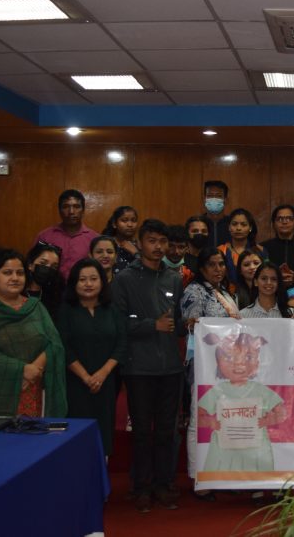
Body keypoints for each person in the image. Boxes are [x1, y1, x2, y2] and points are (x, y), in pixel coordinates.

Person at [111, 219, 186, 513]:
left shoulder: (174, 278)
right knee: (142, 431)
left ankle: (163, 485)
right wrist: (150, 325)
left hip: (171, 367)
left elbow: (176, 322)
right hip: (138, 367)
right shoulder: (124, 279)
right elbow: (117, 323)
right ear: (140, 243)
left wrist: (190, 323)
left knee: (167, 431)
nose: (158, 247)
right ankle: (140, 487)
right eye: (152, 241)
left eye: (162, 241)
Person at [0, 248, 66, 418]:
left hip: (33, 389)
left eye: (20, 273)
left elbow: (54, 343)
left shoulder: (35, 307)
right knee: (0, 434)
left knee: (32, 432)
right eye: (7, 272)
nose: (15, 278)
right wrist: (22, 370)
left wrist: (35, 368)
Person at [180, 247, 240, 500]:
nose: (218, 269)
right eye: (212, 264)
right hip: (203, 364)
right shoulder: (194, 291)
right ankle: (199, 477)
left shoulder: (225, 292)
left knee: (224, 420)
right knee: (200, 419)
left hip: (227, 366)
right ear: (202, 268)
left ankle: (222, 473)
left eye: (221, 264)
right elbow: (191, 325)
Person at [56, 257, 126, 457]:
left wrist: (102, 374)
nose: (88, 284)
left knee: (103, 433)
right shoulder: (66, 311)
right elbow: (63, 347)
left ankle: (101, 472)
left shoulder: (112, 309)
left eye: (93, 279)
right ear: (74, 283)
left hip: (106, 383)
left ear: (102, 282)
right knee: (78, 435)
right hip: (75, 383)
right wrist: (86, 377)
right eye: (82, 279)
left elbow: (122, 343)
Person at [196, 332, 287, 472]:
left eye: (248, 357)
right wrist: (210, 422)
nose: (239, 363)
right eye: (229, 357)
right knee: (222, 476)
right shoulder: (217, 391)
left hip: (256, 450)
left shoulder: (261, 390)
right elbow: (198, 416)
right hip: (223, 451)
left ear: (257, 363)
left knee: (257, 477)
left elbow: (282, 413)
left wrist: (268, 420)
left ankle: (257, 485)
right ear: (218, 362)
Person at [36, 189, 98, 281]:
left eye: (76, 206)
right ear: (59, 210)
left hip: (83, 288)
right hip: (50, 287)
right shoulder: (45, 237)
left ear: (83, 210)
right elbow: (35, 266)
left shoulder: (94, 239)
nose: (71, 211)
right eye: (65, 207)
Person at [261, 204, 294, 288]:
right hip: (270, 291)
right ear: (274, 224)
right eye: (280, 219)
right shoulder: (264, 247)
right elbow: (259, 274)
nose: (284, 222)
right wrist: (276, 275)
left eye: (289, 218)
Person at [217, 208, 263, 281]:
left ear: (250, 228)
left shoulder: (260, 250)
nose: (238, 228)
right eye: (234, 224)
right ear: (229, 227)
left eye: (243, 225)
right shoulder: (220, 250)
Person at [24, 242, 63, 320]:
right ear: (30, 265)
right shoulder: (17, 291)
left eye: (54, 267)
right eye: (43, 263)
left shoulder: (55, 295)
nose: (48, 269)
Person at [102, 205, 140, 273]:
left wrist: (136, 253)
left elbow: (148, 271)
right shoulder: (106, 244)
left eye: (133, 220)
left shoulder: (141, 246)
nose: (130, 225)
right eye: (124, 220)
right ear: (114, 224)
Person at [201, 180, 231, 247]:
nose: (214, 199)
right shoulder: (197, 223)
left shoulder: (232, 223)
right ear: (204, 199)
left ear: (226, 200)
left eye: (219, 196)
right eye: (210, 195)